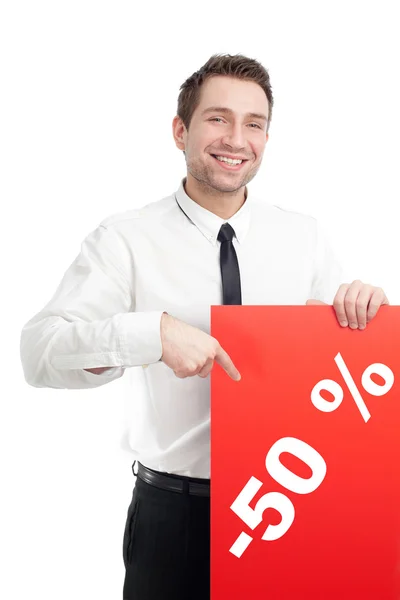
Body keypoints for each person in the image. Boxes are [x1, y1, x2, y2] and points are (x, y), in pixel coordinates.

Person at [20, 53, 389, 600]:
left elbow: (341, 370)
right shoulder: (125, 239)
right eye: (217, 118)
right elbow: (39, 352)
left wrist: (365, 310)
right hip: (176, 518)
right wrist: (152, 335)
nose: (236, 139)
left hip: (290, 503)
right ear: (180, 130)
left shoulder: (304, 237)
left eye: (254, 124)